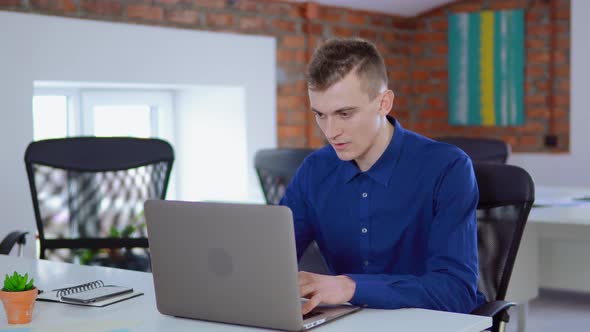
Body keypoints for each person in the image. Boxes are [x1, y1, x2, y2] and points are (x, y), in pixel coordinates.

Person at [280, 38, 485, 315]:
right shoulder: (314, 170)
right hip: (353, 321)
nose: (330, 131)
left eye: (344, 114)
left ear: (384, 103)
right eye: (320, 115)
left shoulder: (448, 167)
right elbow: (273, 260)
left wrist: (351, 287)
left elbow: (456, 292)